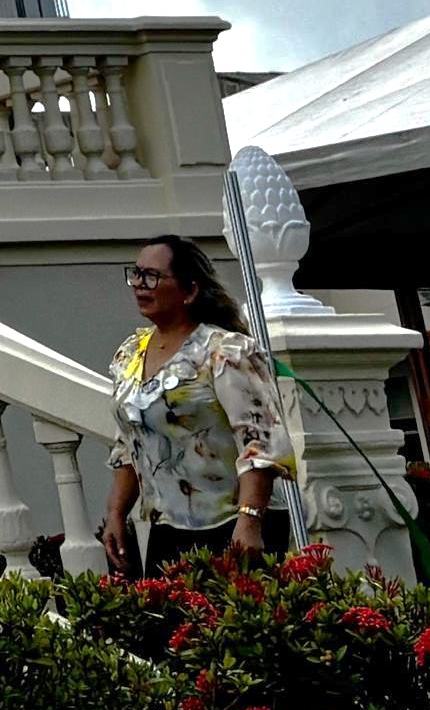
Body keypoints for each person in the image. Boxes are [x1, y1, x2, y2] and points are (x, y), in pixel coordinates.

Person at [101, 234, 292, 572]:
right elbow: (130, 443)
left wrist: (250, 520)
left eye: (152, 276)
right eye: (136, 273)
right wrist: (116, 514)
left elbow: (259, 443)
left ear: (189, 290)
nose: (139, 285)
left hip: (232, 525)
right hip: (167, 530)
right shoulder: (131, 354)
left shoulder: (225, 352)